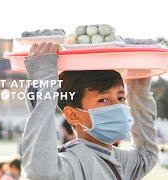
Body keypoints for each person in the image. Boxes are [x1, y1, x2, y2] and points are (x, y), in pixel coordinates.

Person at [20, 42, 158, 179]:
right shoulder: (73, 161)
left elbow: (147, 155)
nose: (118, 106)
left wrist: (139, 92)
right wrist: (44, 79)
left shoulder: (116, 159)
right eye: (104, 100)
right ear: (73, 115)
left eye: (121, 98)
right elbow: (42, 171)